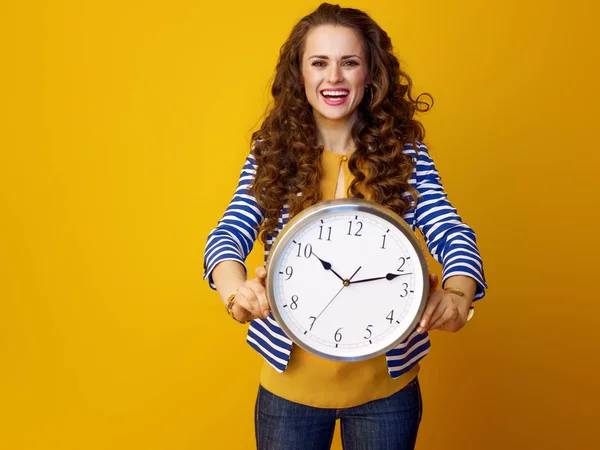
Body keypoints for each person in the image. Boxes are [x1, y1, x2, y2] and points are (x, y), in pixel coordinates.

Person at [203, 3, 487, 449]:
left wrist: (457, 294)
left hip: (386, 392)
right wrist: (237, 290)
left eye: (349, 62)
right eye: (319, 62)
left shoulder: (405, 156)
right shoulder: (270, 152)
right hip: (289, 392)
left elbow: (451, 231)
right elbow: (227, 234)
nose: (333, 77)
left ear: (370, 74)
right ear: (300, 74)